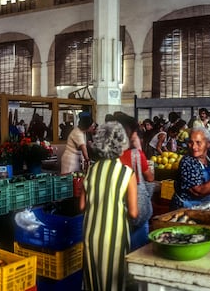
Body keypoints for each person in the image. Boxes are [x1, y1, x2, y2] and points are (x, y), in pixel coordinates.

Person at [79, 121, 138, 291]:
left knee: (93, 281)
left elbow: (82, 206)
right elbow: (134, 213)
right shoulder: (127, 173)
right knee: (115, 282)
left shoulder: (91, 170)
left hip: (91, 234)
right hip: (115, 236)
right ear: (121, 144)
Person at [119, 118, 154, 251]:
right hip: (138, 208)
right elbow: (150, 178)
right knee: (139, 250)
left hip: (120, 211)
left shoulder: (111, 158)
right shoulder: (137, 155)